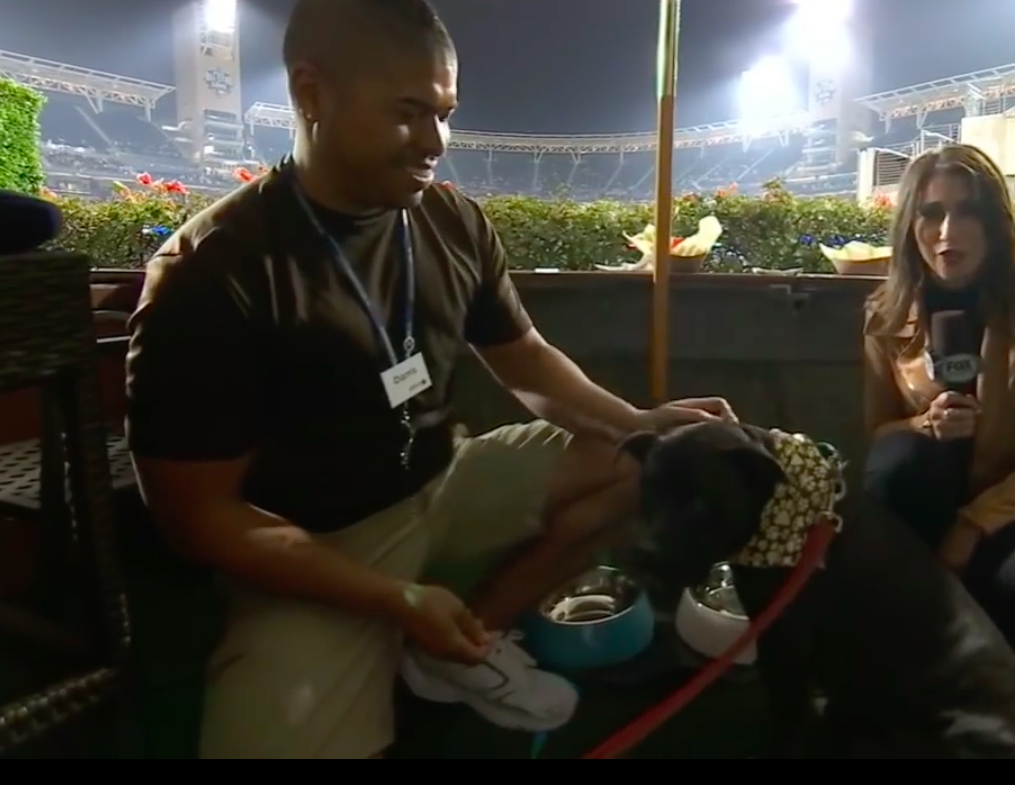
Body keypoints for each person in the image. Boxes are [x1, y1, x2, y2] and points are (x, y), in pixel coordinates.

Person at [125, 0, 734, 760]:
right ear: (311, 93)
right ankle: (407, 628)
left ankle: (452, 650)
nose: (436, 142)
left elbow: (528, 360)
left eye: (445, 114)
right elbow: (199, 517)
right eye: (410, 113)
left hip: (445, 483)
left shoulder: (451, 220)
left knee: (645, 463)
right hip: (313, 547)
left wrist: (638, 424)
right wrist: (393, 598)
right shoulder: (214, 270)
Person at [860, 145, 1015, 653]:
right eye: (932, 213)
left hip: (1010, 502)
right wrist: (925, 425)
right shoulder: (885, 314)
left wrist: (972, 525)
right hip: (922, 495)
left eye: (966, 211)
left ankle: (952, 615)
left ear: (994, 221)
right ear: (911, 224)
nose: (947, 232)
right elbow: (878, 436)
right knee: (898, 457)